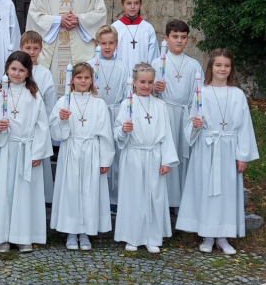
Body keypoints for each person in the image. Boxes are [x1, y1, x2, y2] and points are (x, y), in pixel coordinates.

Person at [176, 49, 259, 255]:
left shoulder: (237, 94)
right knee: (206, 191)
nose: (223, 69)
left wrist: (242, 155)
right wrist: (195, 125)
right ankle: (207, 235)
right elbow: (189, 123)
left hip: (228, 149)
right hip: (206, 148)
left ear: (231, 69)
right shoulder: (201, 93)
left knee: (225, 194)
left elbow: (244, 127)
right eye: (218, 65)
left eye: (227, 65)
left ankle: (223, 237)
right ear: (210, 67)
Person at [0, 51, 53, 253]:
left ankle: (24, 236)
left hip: (28, 149)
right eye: (13, 69)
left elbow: (42, 125)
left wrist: (38, 152)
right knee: (5, 191)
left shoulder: (34, 95)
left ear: (28, 72)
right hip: (7, 148)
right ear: (6, 69)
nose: (16, 73)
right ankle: (2, 236)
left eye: (21, 70)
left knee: (25, 193)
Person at [26, 0, 108, 98]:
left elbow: (100, 13)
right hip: (54, 49)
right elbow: (34, 15)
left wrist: (79, 20)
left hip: (80, 48)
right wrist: (58, 20)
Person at [113, 63, 179, 254]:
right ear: (134, 82)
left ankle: (152, 237)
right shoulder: (127, 104)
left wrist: (166, 161)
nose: (146, 86)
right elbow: (117, 132)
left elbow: (166, 133)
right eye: (142, 82)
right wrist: (123, 131)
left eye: (150, 82)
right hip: (134, 155)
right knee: (133, 196)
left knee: (153, 197)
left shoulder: (160, 105)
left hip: (154, 155)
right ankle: (132, 237)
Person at [49, 63, 115, 251]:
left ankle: (85, 232)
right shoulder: (64, 102)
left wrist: (105, 159)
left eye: (86, 77)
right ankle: (71, 232)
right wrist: (62, 120)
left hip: (92, 151)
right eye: (79, 77)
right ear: (72, 80)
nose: (83, 81)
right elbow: (55, 133)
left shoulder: (99, 103)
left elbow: (106, 133)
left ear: (92, 80)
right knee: (71, 191)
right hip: (71, 150)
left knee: (89, 192)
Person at [150, 19, 203, 215]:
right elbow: (147, 91)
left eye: (183, 37)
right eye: (175, 37)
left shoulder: (194, 65)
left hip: (186, 114)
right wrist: (155, 89)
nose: (179, 41)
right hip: (165, 112)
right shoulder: (157, 63)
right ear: (166, 39)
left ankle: (182, 200)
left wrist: (195, 115)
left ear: (188, 39)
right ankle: (166, 198)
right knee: (167, 154)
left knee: (183, 154)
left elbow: (199, 94)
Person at [85, 25, 131, 208]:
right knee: (97, 154)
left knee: (117, 157)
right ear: (97, 44)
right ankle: (97, 197)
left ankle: (115, 199)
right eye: (103, 43)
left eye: (111, 43)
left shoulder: (122, 67)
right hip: (96, 115)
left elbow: (127, 95)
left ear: (116, 44)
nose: (107, 47)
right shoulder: (90, 65)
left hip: (116, 113)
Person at [19, 31, 57, 203]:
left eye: (35, 48)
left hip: (38, 126)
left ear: (41, 49)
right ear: (21, 47)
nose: (32, 52)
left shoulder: (44, 73)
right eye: (28, 48)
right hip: (19, 126)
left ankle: (41, 197)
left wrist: (44, 125)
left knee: (38, 163)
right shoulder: (16, 70)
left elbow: (50, 101)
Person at [112, 0, 159, 73]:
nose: (133, 7)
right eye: (129, 3)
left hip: (143, 76)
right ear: (122, 5)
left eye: (136, 3)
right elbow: (111, 54)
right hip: (120, 74)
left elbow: (153, 56)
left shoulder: (148, 28)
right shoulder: (115, 28)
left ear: (140, 5)